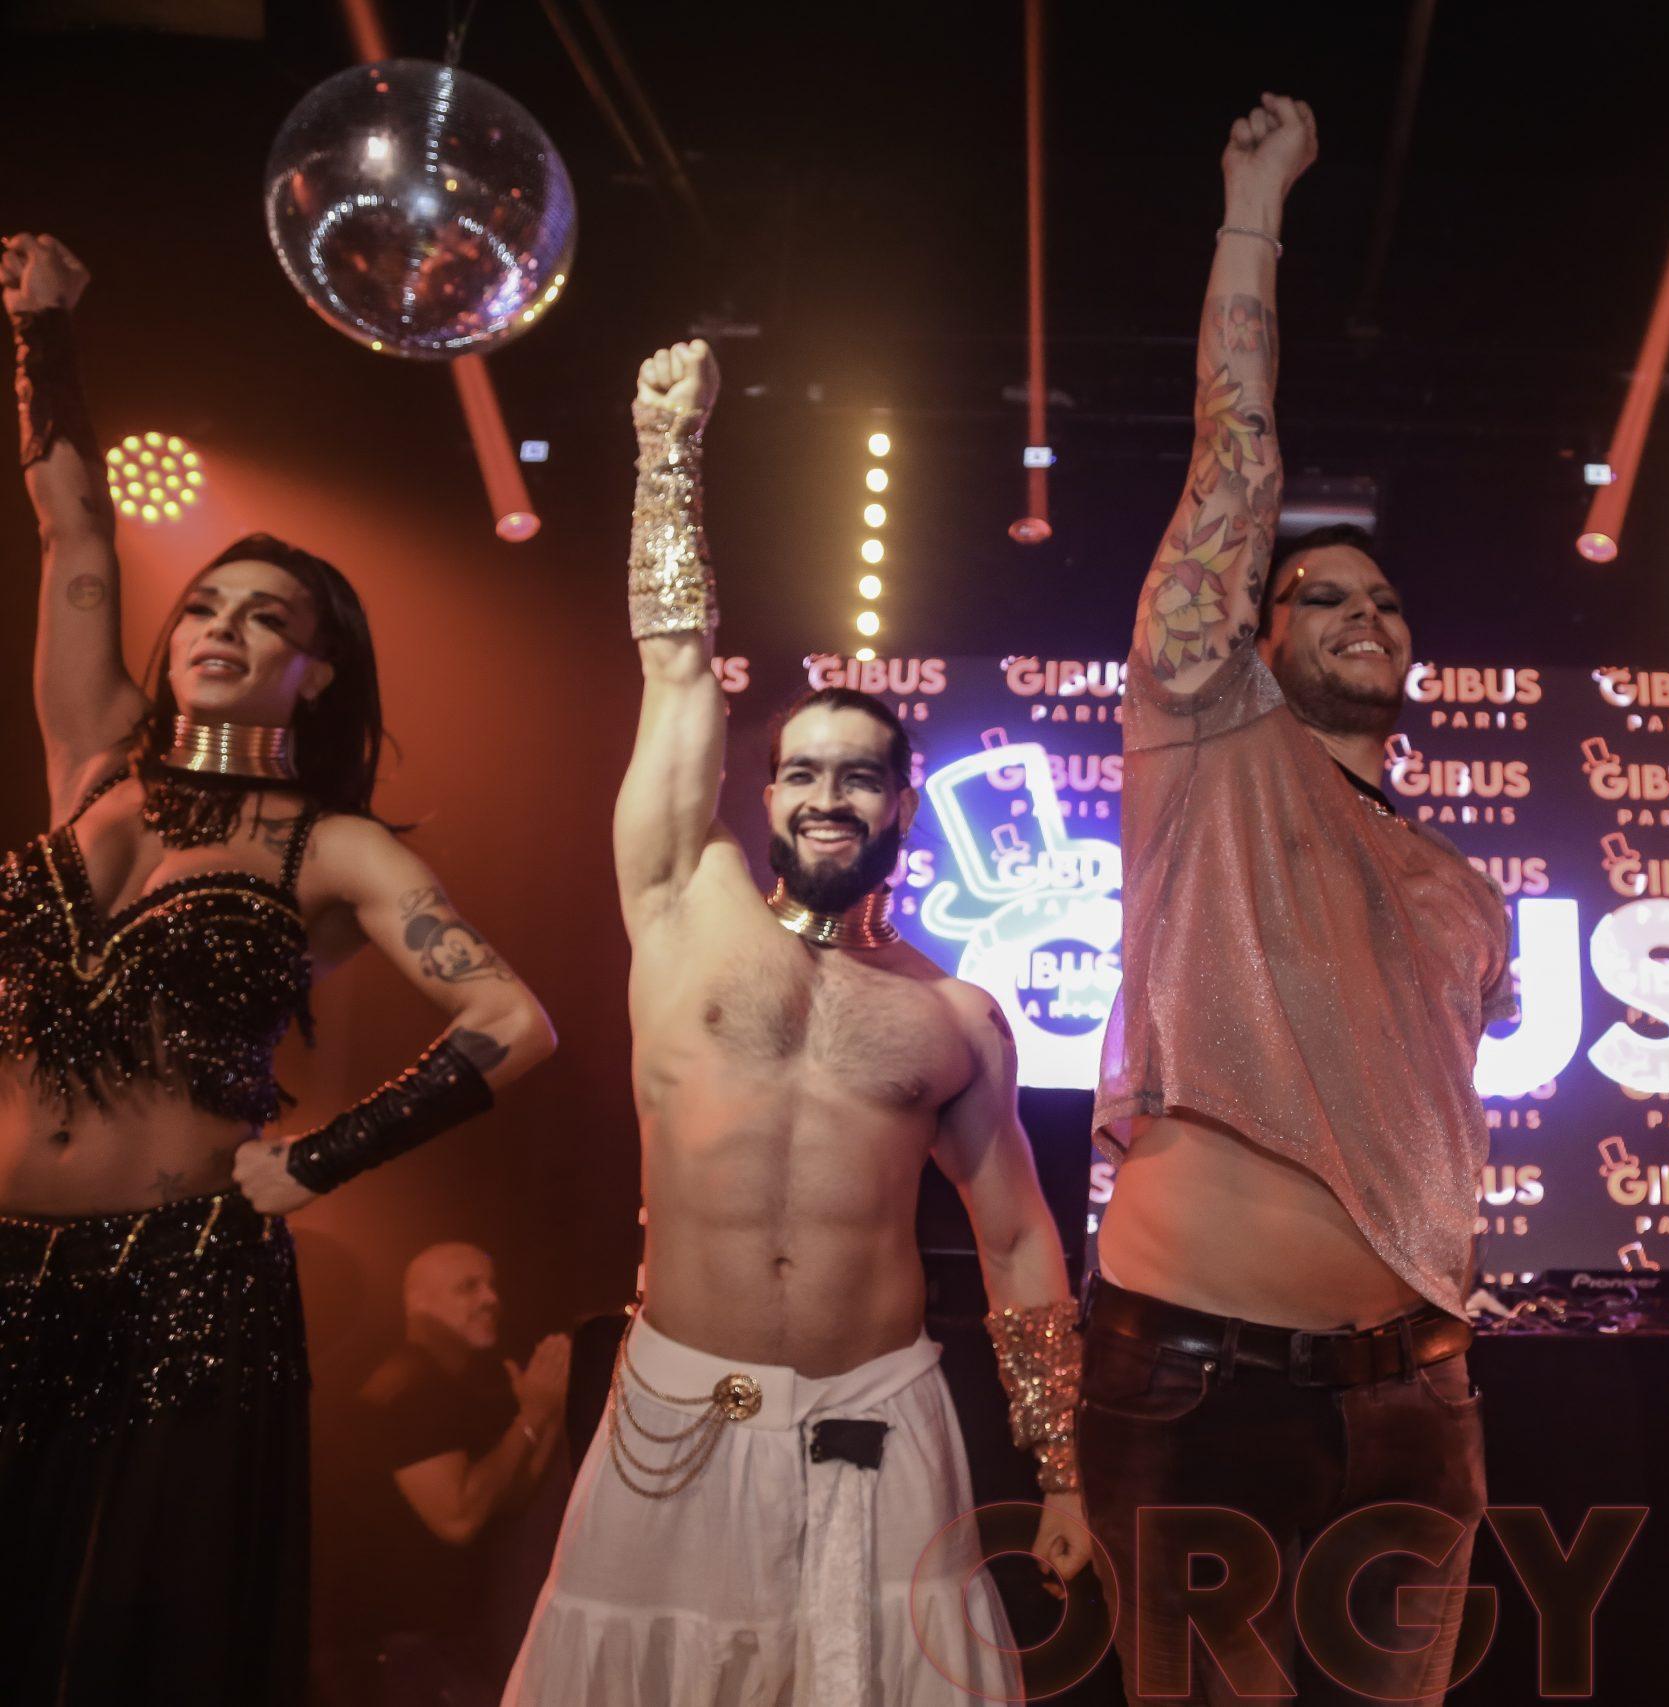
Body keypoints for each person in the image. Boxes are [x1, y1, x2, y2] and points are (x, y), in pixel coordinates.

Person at [0, 232, 555, 1704]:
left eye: (267, 619)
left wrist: (323, 1158)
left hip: (181, 1284)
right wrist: (45, 331)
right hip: (4, 1267)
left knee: (122, 1647)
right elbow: (72, 534)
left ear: (317, 673)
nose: (221, 628)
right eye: (206, 605)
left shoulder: (331, 846)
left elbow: (513, 1019)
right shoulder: (92, 763)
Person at [504, 336, 1087, 1705]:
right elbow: (675, 667)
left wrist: (1061, 1468)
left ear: (901, 803)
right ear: (762, 797)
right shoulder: (682, 898)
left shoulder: (956, 1014)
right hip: (685, 1401)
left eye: (861, 776)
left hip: (879, 1412)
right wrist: (667, 452)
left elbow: (1016, 1237)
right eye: (804, 773)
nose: (830, 797)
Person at [1083, 95, 1515, 1706]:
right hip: (1195, 1379)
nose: (1361, 608)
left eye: (1383, 598)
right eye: (1315, 591)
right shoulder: (1208, 741)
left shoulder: (1463, 894)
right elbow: (1235, 459)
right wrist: (1254, 205)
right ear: (1249, 636)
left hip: (1419, 1396)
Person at [343, 1244, 570, 1704]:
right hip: (413, 1652)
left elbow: (508, 1495)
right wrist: (530, 1418)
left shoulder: (448, 1387)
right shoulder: (411, 1388)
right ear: (419, 1302)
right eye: (469, 1287)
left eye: (492, 1286)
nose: (491, 1299)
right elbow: (459, 1518)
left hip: (449, 1643)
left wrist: (547, 1413)